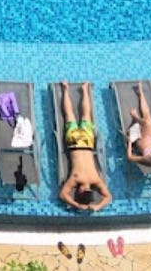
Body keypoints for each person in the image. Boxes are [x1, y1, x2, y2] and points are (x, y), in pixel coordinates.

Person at [57, 82, 112, 212]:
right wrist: (77, 205)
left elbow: (109, 197)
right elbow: (62, 195)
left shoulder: (96, 180)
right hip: (74, 142)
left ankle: (85, 89)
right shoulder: (75, 178)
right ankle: (65, 89)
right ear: (80, 192)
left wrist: (97, 206)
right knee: (69, 115)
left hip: (87, 143)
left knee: (86, 115)